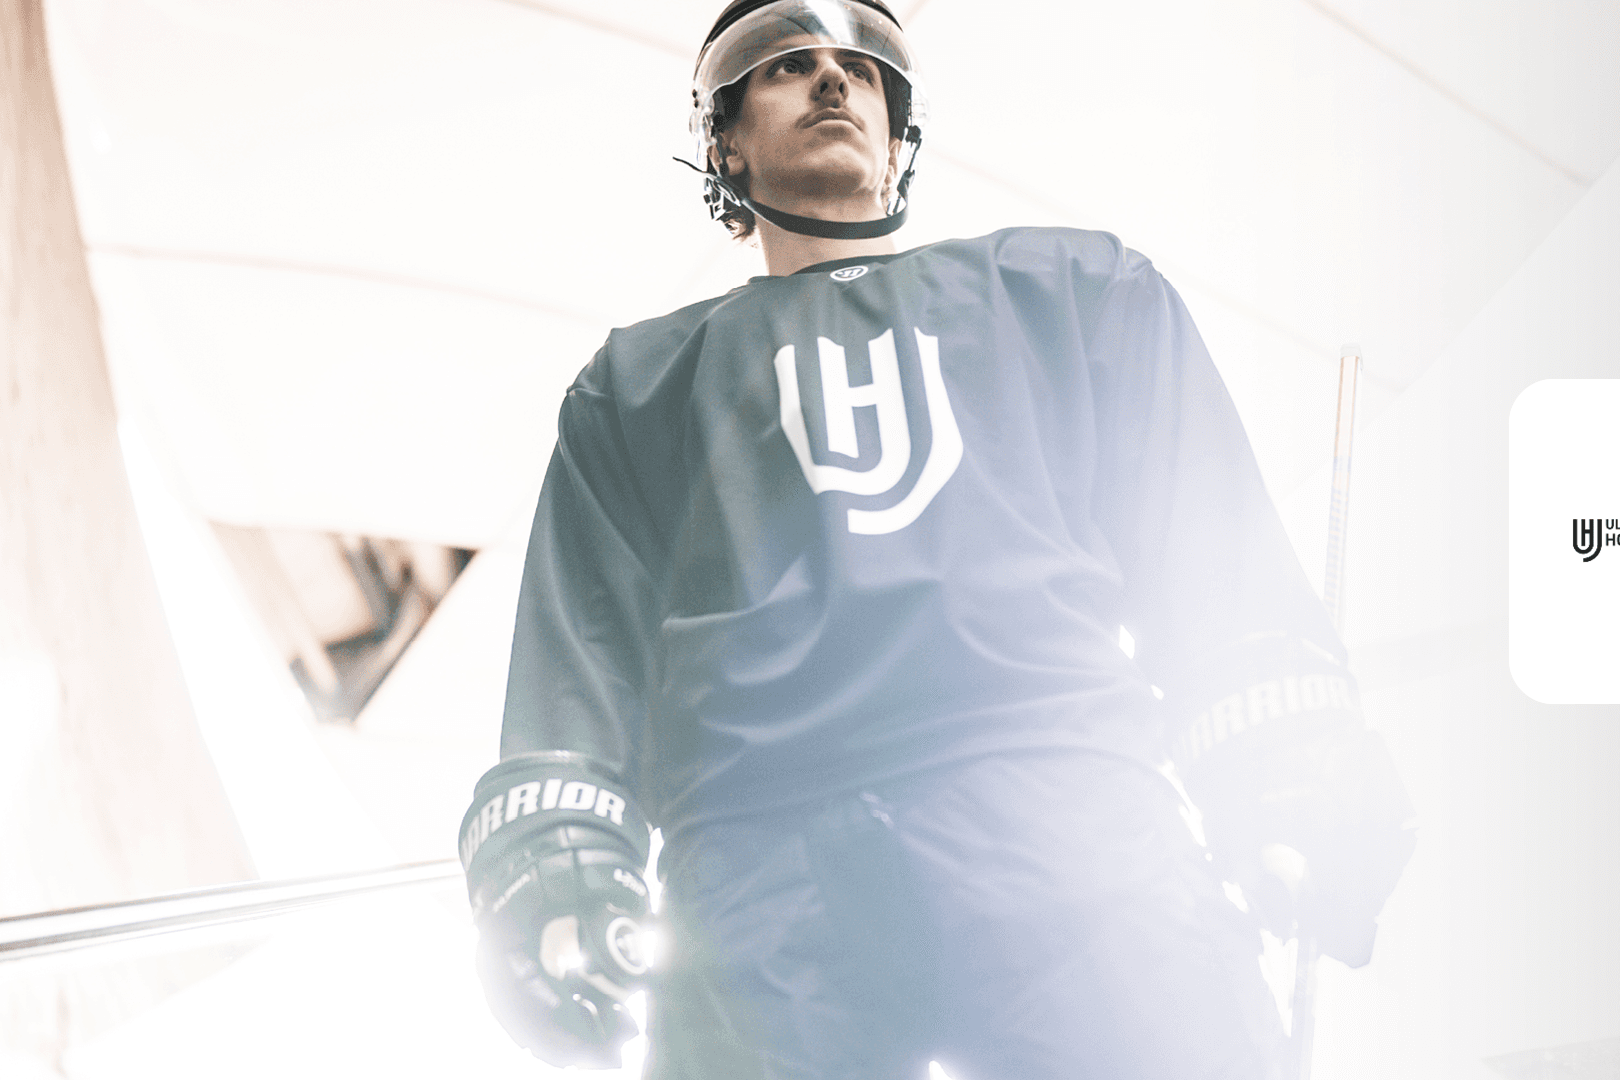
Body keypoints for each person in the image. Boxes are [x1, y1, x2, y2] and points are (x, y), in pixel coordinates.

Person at [455, 1, 1413, 1076]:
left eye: (860, 71)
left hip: (1068, 806)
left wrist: (1289, 766)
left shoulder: (1074, 291)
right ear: (724, 145)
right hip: (758, 860)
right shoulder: (634, 388)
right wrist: (558, 870)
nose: (834, 82)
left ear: (897, 136)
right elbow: (579, 664)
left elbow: (1209, 564)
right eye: (787, 66)